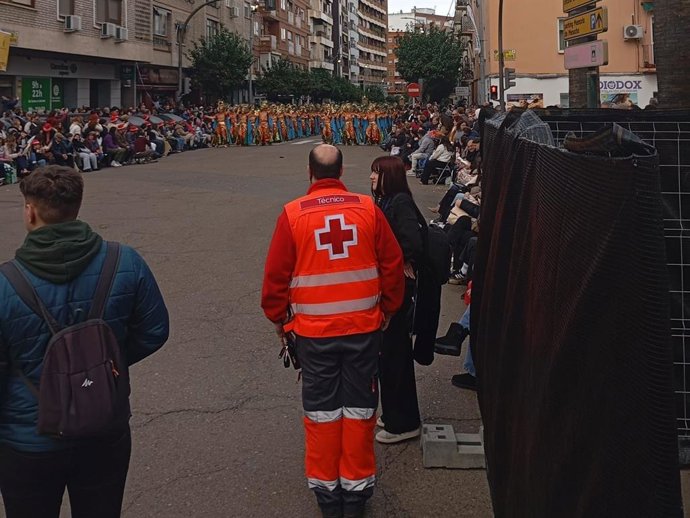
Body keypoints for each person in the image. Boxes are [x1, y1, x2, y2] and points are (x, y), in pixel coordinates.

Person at [0, 166, 169, 518]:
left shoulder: (5, 282)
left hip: (29, 435)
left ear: (30, 212)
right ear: (77, 205)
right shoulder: (125, 260)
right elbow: (154, 331)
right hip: (104, 423)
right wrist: (104, 363)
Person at [262, 144, 404, 518]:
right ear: (341, 173)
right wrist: (388, 307)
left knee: (322, 412)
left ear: (310, 173)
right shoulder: (368, 209)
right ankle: (355, 494)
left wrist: (279, 320)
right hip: (363, 330)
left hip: (313, 335)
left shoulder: (292, 215)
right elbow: (392, 264)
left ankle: (328, 496)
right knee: (359, 410)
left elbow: (275, 278)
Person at [369, 156, 422, 444]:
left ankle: (404, 422)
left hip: (399, 288)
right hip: (390, 284)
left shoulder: (399, 202)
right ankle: (392, 413)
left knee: (395, 355)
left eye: (377, 173)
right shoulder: (388, 201)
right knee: (387, 355)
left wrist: (396, 262)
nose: (372, 178)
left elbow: (411, 241)